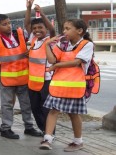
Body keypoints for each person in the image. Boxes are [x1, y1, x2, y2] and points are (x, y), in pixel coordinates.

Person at [39, 19, 94, 152]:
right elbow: (52, 59)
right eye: (64, 28)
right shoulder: (63, 44)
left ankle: (78, 141)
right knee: (53, 111)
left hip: (74, 87)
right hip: (58, 86)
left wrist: (56, 66)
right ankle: (47, 139)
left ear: (79, 31)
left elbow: (77, 62)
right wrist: (47, 46)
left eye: (68, 28)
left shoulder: (87, 45)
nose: (64, 32)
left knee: (73, 114)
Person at [0, 14, 42, 139]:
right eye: (4, 24)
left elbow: (28, 26)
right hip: (7, 79)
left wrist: (28, 9)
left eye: (9, 23)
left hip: (23, 77)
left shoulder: (19, 34)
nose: (8, 26)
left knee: (26, 104)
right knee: (7, 105)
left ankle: (29, 127)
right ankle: (6, 129)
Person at [24, 0, 56, 134]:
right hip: (32, 82)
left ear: (46, 29)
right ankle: (44, 130)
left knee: (46, 108)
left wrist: (42, 13)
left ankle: (50, 133)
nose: (37, 30)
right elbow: (27, 25)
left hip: (47, 81)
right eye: (35, 28)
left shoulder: (51, 39)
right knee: (35, 108)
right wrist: (28, 9)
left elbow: (52, 29)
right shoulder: (34, 40)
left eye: (40, 27)